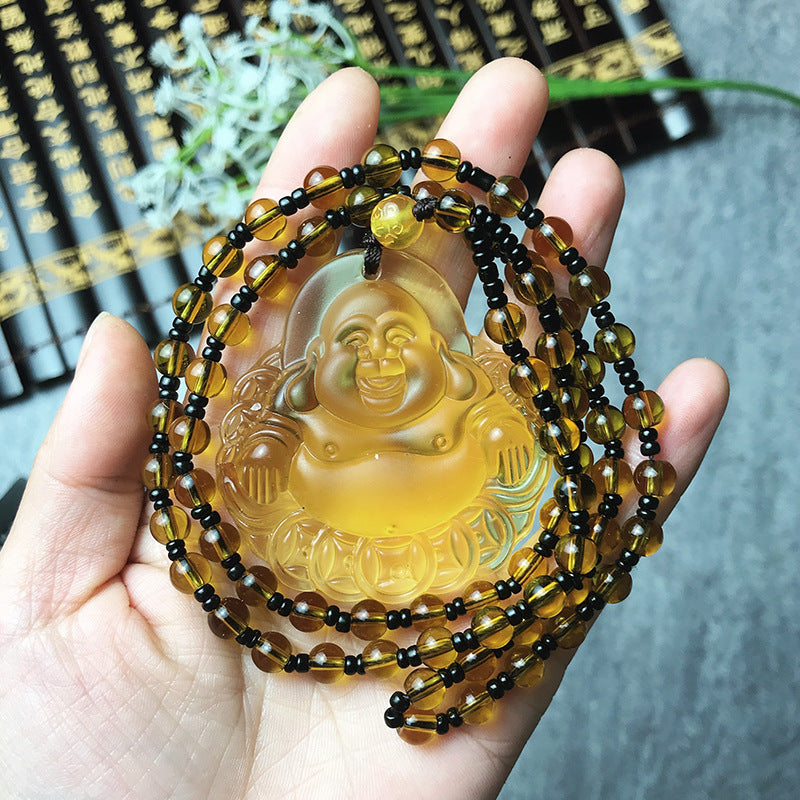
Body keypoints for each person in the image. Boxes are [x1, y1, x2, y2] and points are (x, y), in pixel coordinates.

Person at [0, 60, 728, 800]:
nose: (376, 361)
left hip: (459, 541)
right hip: (320, 548)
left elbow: (499, 424)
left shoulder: (479, 403)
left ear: (444, 361)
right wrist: (261, 451)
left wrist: (504, 440)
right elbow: (268, 429)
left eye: (399, 344)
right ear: (312, 364)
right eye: (350, 346)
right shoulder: (283, 418)